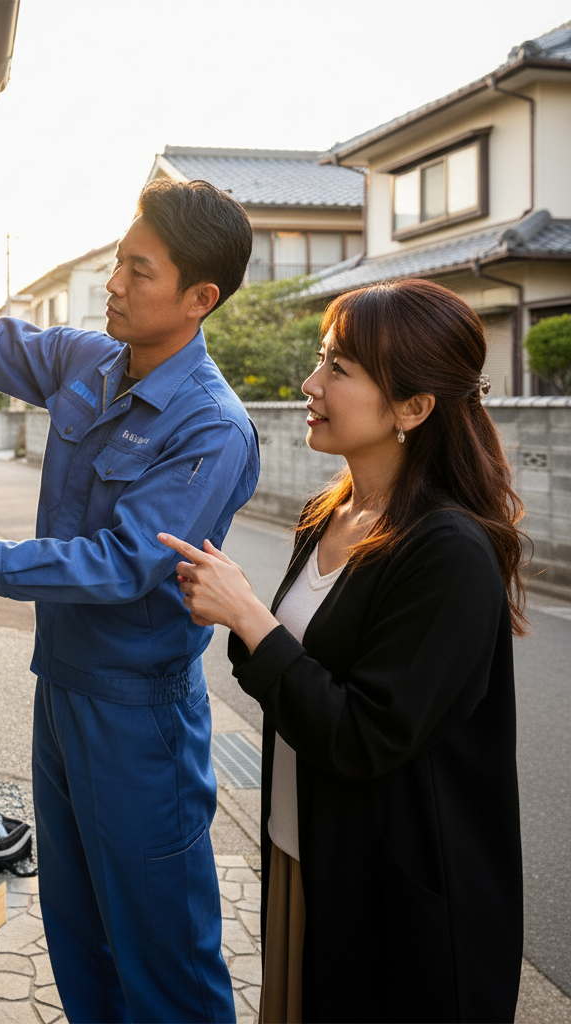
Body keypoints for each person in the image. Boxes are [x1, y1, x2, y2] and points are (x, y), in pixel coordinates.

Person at [0, 176, 258, 1022]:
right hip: (64, 689)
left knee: (163, 951)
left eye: (139, 272)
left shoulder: (211, 426)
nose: (113, 284)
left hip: (140, 715)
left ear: (200, 298)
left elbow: (125, 563)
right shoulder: (89, 360)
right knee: (80, 931)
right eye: (119, 261)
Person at [160, 278, 525, 1023]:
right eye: (322, 359)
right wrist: (240, 613)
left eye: (339, 369)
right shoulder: (327, 513)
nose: (310, 383)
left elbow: (366, 736)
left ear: (413, 408)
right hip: (304, 850)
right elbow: (290, 672)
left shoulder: (448, 551)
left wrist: (249, 617)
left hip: (394, 898)